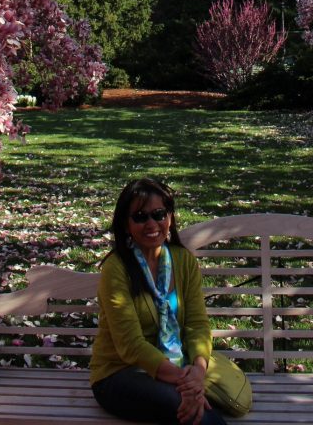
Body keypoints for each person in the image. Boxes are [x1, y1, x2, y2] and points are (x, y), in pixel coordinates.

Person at [90, 177, 252, 425]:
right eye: (140, 217)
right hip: (119, 374)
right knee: (203, 419)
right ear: (125, 224)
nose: (152, 223)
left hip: (178, 369)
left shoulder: (183, 260)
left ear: (171, 217)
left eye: (159, 214)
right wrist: (185, 383)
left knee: (196, 414)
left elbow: (197, 324)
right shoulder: (117, 268)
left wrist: (198, 372)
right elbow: (130, 345)